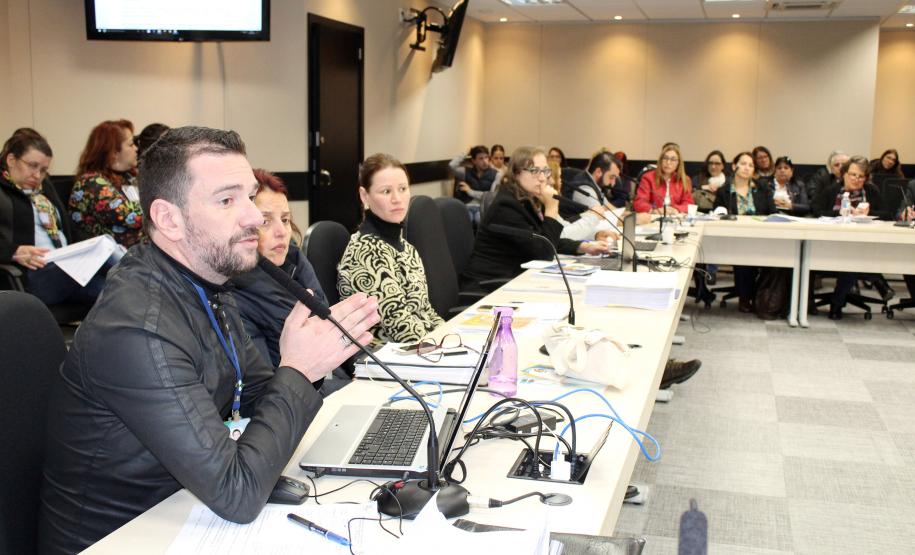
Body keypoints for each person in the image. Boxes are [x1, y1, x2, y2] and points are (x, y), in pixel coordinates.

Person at [38, 126, 379, 554]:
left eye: (249, 195)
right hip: (122, 539)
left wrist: (307, 363)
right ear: (168, 219)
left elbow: (254, 393)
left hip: (182, 515)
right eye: (226, 200)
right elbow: (237, 494)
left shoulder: (207, 283)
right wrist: (298, 369)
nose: (254, 217)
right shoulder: (136, 328)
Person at [462, 146, 609, 288]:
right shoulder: (506, 205)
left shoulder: (527, 200)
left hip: (512, 280)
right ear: (516, 173)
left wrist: (582, 246)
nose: (542, 178)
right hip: (489, 286)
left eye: (545, 171)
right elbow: (543, 254)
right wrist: (551, 208)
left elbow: (542, 239)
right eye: (534, 171)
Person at [337, 153, 444, 344]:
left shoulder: (407, 248)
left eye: (403, 189)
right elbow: (402, 329)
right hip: (387, 361)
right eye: (386, 191)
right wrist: (447, 347)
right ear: (364, 196)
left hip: (419, 350)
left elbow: (426, 311)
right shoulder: (366, 252)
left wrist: (454, 337)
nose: (397, 199)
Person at [0, 128, 107, 306]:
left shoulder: (44, 189)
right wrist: (13, 251)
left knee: (112, 291)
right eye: (32, 166)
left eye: (43, 170)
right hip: (31, 274)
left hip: (64, 269)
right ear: (11, 160)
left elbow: (67, 228)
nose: (37, 176)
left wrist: (96, 243)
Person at [231, 168, 327, 367]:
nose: (282, 232)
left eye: (285, 220)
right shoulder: (235, 292)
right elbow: (264, 384)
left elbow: (329, 329)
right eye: (265, 221)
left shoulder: (297, 263)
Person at [810, 156, 891, 318]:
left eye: (861, 176)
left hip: (860, 244)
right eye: (853, 174)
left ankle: (836, 303)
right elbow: (816, 210)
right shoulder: (832, 190)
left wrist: (870, 213)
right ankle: (809, 302)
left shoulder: (871, 191)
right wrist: (837, 213)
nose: (856, 179)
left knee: (851, 258)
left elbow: (888, 214)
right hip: (829, 243)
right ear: (844, 174)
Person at [714, 152, 776, 313]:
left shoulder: (762, 188)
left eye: (750, 165)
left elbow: (772, 213)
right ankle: (745, 296)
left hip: (761, 237)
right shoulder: (724, 191)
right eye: (743, 164)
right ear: (734, 166)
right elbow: (716, 213)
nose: (747, 168)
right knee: (744, 253)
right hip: (733, 238)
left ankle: (760, 296)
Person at [69, 119, 144, 247]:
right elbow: (133, 216)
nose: (136, 149)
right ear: (114, 152)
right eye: (131, 144)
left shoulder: (128, 176)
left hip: (136, 256)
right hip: (109, 259)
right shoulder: (91, 183)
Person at [548, 158, 617, 243]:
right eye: (558, 177)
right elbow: (561, 235)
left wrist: (595, 234)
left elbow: (564, 227)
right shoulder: (584, 186)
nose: (561, 182)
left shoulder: (549, 202)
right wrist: (593, 217)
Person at [562, 150, 626, 219]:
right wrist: (635, 219)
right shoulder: (585, 189)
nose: (613, 183)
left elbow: (609, 208)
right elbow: (601, 218)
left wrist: (628, 214)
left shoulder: (595, 184)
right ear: (598, 172)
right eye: (611, 177)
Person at [634, 143, 694, 216]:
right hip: (654, 217)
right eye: (665, 158)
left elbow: (689, 204)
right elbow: (639, 202)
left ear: (678, 163)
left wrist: (675, 209)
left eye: (673, 159)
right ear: (660, 160)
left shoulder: (685, 179)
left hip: (676, 218)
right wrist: (654, 210)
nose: (668, 162)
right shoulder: (648, 177)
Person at [449, 145, 502, 226]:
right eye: (481, 158)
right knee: (465, 220)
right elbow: (452, 166)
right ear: (473, 161)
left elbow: (491, 196)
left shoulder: (496, 174)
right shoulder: (466, 172)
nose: (485, 161)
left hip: (483, 207)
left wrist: (470, 191)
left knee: (479, 219)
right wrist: (465, 153)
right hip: (467, 206)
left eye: (486, 157)